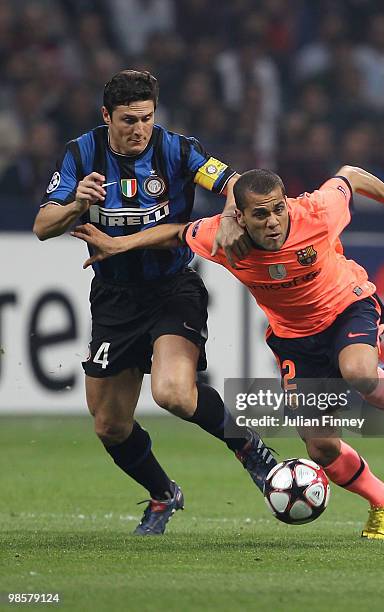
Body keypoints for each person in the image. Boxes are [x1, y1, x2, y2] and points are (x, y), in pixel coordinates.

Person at [72, 165, 384, 539]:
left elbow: (350, 175)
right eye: (261, 214)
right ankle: (382, 499)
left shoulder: (317, 212)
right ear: (241, 217)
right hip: (295, 339)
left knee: (358, 370)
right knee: (322, 449)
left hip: (348, 306)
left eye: (278, 209)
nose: (273, 221)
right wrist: (119, 244)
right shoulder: (225, 237)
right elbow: (174, 234)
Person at [33, 70, 277, 536]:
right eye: (128, 120)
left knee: (172, 393)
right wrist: (73, 205)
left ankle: (250, 450)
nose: (139, 129)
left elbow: (235, 182)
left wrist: (229, 216)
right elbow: (43, 225)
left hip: (172, 288)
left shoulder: (178, 149)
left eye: (146, 118)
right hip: (114, 298)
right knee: (109, 424)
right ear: (107, 116)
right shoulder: (81, 154)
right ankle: (164, 493)